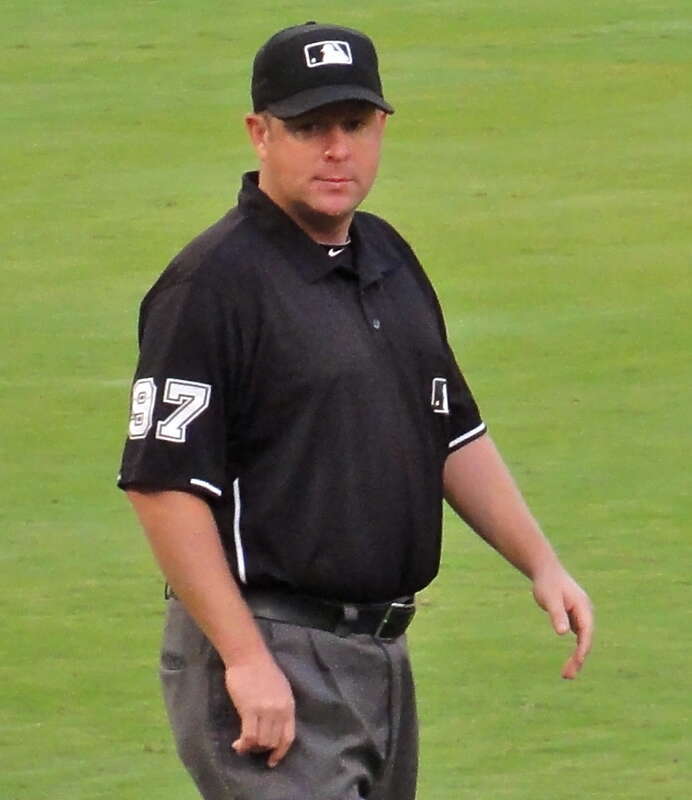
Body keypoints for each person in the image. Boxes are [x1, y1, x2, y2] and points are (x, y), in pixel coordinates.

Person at [118, 21, 593, 800]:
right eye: (309, 128)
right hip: (272, 648)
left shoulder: (387, 257)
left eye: (354, 124)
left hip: (379, 661)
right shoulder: (212, 286)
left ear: (380, 129)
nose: (336, 148)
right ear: (259, 134)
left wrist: (541, 563)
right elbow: (162, 485)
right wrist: (242, 658)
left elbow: (450, 430)